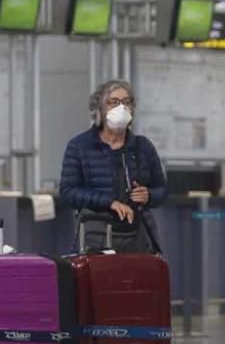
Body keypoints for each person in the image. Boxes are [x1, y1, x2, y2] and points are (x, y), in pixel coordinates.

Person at [59, 80, 167, 253]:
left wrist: (149, 195)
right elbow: (67, 192)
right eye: (114, 102)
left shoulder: (142, 147)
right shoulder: (80, 146)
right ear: (99, 108)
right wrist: (109, 202)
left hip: (138, 237)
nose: (121, 107)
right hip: (95, 236)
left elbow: (162, 190)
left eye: (126, 102)